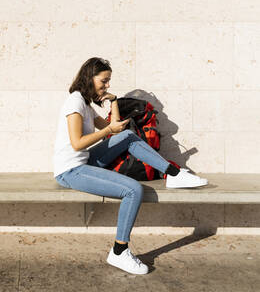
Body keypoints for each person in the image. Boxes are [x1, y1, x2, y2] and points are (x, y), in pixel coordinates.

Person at [53, 57, 208, 275]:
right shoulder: (75, 102)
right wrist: (108, 131)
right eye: (104, 81)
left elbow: (115, 128)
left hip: (84, 160)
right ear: (90, 77)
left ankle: (172, 174)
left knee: (127, 135)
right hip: (70, 170)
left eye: (109, 82)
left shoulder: (85, 104)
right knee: (133, 190)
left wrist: (114, 100)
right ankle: (119, 251)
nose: (107, 86)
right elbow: (77, 143)